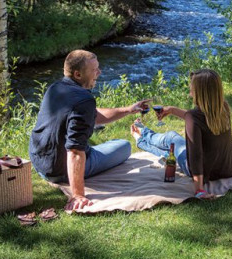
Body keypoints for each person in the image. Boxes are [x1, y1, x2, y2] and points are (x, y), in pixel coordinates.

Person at [29, 49, 149, 211]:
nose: (99, 72)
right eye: (94, 70)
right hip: (59, 170)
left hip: (39, 163)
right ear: (78, 75)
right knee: (124, 146)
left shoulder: (56, 88)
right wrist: (77, 194)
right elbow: (75, 151)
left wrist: (128, 109)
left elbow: (94, 115)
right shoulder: (84, 101)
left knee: (102, 146)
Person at [130, 69, 232, 200]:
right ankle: (142, 136)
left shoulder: (193, 117)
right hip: (227, 169)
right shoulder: (223, 107)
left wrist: (199, 190)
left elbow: (195, 155)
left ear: (199, 91)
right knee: (171, 149)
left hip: (202, 171)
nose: (190, 90)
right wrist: (173, 110)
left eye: (192, 87)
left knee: (171, 137)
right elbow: (198, 119)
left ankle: (143, 134)